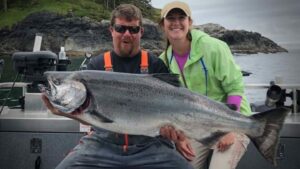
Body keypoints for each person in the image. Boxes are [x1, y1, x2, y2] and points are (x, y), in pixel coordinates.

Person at [42, 4, 193, 169]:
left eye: (133, 29)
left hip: (151, 146)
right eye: (121, 28)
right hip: (101, 145)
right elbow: (86, 114)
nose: (127, 34)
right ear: (111, 30)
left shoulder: (156, 65)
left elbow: (175, 107)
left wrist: (176, 134)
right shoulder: (96, 66)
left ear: (141, 32)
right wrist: (65, 112)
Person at [158, 1, 252, 169]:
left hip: (234, 121)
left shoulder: (213, 47)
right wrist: (182, 138)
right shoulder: (163, 61)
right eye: (170, 18)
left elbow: (235, 87)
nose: (176, 22)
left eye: (181, 17)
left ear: (190, 22)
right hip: (197, 127)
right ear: (162, 25)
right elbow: (172, 107)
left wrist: (228, 128)